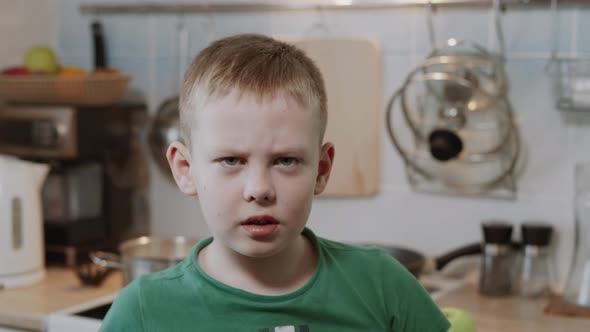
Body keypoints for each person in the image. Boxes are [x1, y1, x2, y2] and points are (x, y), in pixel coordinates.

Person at [100, 33, 450, 332]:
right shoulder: (143, 312)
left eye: (286, 161)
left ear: (322, 169)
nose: (259, 189)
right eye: (231, 160)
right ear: (185, 169)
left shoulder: (382, 285)